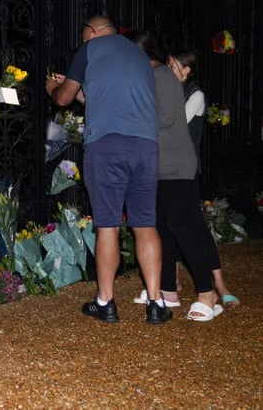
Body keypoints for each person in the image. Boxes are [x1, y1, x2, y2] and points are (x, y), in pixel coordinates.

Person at [44, 16, 171, 324]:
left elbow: (63, 99)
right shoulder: (139, 55)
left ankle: (106, 301)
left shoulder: (90, 49)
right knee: (145, 223)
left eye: (84, 33)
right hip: (144, 145)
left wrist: (54, 88)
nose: (83, 39)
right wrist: (79, 90)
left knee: (108, 225)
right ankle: (156, 302)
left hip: (107, 146)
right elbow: (103, 97)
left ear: (94, 31)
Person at [126, 30, 222, 321]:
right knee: (162, 228)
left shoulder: (162, 77)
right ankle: (168, 290)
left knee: (182, 227)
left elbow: (166, 118)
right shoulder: (149, 77)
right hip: (158, 165)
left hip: (175, 165)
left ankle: (208, 293)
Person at [167, 50, 240, 307]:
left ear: (186, 70)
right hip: (167, 168)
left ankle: (219, 284)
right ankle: (172, 282)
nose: (168, 69)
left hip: (186, 169)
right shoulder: (169, 92)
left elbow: (176, 122)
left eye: (172, 65)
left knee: (194, 224)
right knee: (170, 223)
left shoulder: (195, 95)